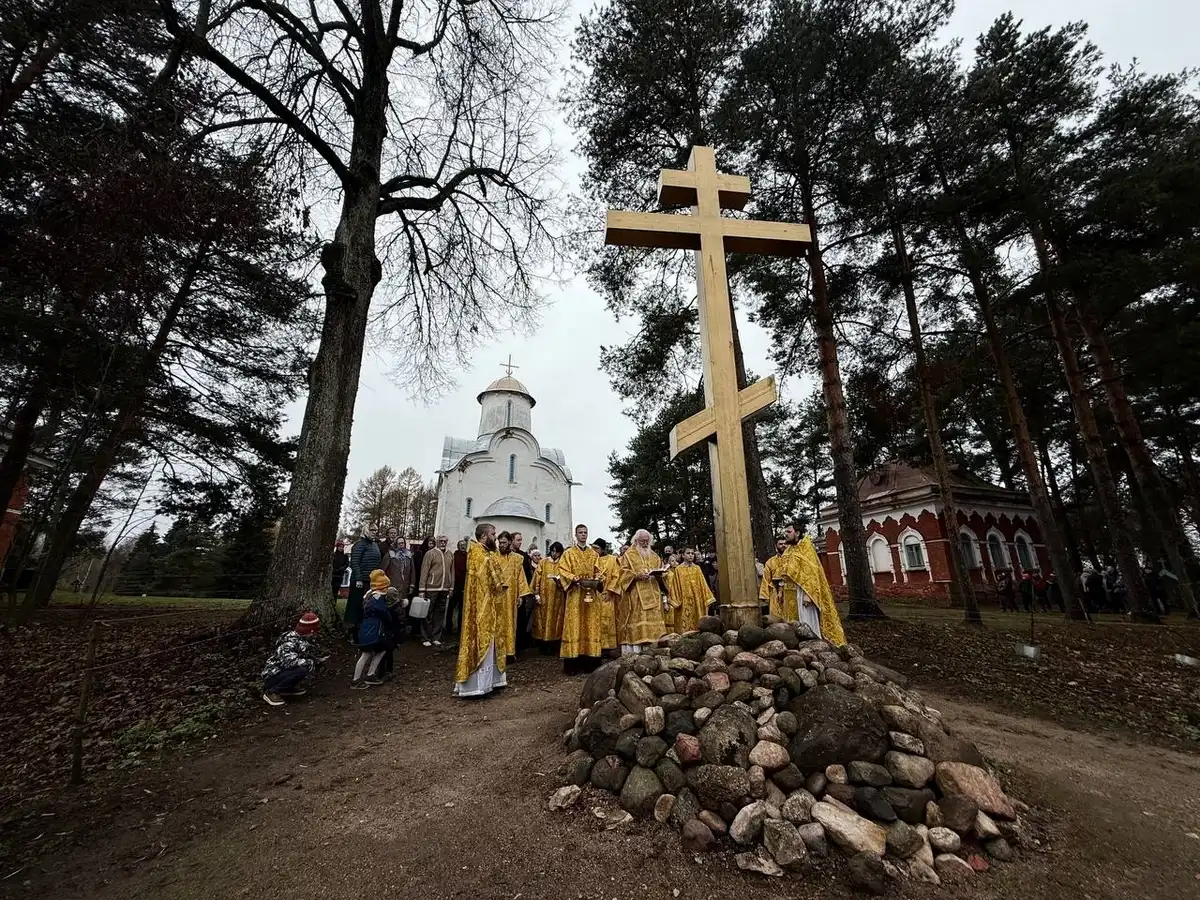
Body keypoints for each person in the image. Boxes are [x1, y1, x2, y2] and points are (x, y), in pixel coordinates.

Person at [454, 523, 508, 698]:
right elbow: (487, 576)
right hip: (480, 605)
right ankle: (475, 686)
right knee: (482, 640)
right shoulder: (477, 552)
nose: (495, 537)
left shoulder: (486, 552)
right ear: (484, 536)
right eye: (493, 534)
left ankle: (491, 681)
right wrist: (498, 580)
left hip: (490, 604)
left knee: (492, 641)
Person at [774, 523, 846, 645]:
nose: (785, 534)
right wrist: (780, 591)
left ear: (797, 533)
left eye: (788, 532)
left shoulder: (807, 548)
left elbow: (813, 574)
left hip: (803, 592)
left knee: (806, 620)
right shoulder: (789, 550)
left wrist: (809, 595)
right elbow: (783, 572)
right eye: (785, 532)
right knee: (790, 622)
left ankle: (814, 644)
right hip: (788, 591)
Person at [558, 524, 604, 675]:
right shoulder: (569, 553)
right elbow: (562, 569)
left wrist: (597, 578)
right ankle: (573, 664)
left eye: (585, 532)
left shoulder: (593, 554)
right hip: (575, 594)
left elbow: (599, 571)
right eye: (580, 533)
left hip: (591, 595)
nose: (583, 535)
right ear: (576, 535)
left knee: (591, 625)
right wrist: (573, 578)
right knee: (574, 625)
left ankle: (590, 662)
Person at [616, 529, 669, 654]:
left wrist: (661, 574)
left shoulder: (655, 556)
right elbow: (623, 573)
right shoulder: (629, 555)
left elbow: (663, 573)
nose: (645, 543)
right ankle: (636, 651)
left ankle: (655, 648)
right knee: (637, 618)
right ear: (636, 541)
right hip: (636, 594)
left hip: (653, 592)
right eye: (642, 541)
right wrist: (636, 576)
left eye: (647, 541)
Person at [261, 612, 326, 706]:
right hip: (273, 675)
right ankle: (272, 691)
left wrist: (316, 660)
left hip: (281, 672)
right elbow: (289, 662)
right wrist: (308, 662)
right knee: (301, 670)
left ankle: (287, 688)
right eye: (314, 632)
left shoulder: (301, 640)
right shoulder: (290, 642)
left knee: (303, 668)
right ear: (310, 631)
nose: (315, 634)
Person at [353, 570, 396, 689]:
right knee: (366, 654)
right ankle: (357, 679)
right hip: (372, 631)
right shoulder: (377, 600)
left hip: (369, 630)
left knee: (381, 649)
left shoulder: (369, 597)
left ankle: (369, 675)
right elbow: (384, 613)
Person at [496, 531, 533, 661]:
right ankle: (497, 652)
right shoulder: (493, 557)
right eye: (500, 542)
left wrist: (521, 596)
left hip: (511, 597)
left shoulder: (517, 559)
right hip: (497, 597)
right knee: (497, 625)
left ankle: (510, 652)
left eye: (504, 543)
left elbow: (521, 578)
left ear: (510, 542)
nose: (501, 545)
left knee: (511, 624)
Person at [418, 535, 455, 647]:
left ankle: (436, 636)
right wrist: (422, 589)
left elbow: (451, 572)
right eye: (441, 541)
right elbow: (424, 571)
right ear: (437, 542)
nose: (443, 543)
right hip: (431, 587)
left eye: (445, 541)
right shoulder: (430, 553)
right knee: (428, 613)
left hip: (444, 588)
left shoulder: (450, 554)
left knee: (440, 613)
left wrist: (451, 587)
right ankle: (425, 637)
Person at [347, 524, 382, 640]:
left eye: (376, 530)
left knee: (366, 608)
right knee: (356, 607)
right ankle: (352, 634)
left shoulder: (374, 545)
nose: (374, 532)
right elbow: (355, 562)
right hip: (359, 581)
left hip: (371, 581)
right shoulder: (359, 545)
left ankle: (363, 632)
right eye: (372, 530)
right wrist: (358, 578)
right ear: (366, 530)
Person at [666, 548, 714, 633]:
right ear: (683, 555)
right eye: (688, 553)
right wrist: (676, 601)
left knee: (698, 623)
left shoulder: (697, 568)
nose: (691, 555)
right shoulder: (678, 569)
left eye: (692, 553)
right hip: (683, 602)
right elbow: (675, 586)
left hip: (697, 600)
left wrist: (707, 597)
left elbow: (703, 584)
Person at [532, 541, 566, 652]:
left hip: (558, 596)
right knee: (543, 619)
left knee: (557, 620)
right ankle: (543, 644)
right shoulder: (543, 562)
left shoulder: (563, 563)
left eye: (557, 552)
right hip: (544, 595)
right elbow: (537, 578)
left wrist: (560, 582)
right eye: (553, 551)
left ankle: (554, 644)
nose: (555, 554)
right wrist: (536, 594)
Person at [759, 534, 797, 620]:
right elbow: (766, 579)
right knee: (775, 618)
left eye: (785, 543)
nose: (783, 545)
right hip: (775, 594)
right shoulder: (770, 562)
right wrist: (764, 596)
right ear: (776, 546)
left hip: (790, 591)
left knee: (792, 617)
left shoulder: (794, 560)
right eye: (780, 544)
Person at [593, 538, 620, 655]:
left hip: (608, 595)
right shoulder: (592, 559)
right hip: (594, 595)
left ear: (603, 549)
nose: (595, 551)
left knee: (608, 621)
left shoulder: (613, 560)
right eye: (593, 548)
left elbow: (616, 576)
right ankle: (595, 646)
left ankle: (608, 648)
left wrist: (610, 591)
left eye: (597, 548)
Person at [510, 532, 537, 653]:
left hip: (520, 592)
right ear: (512, 540)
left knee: (521, 619)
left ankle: (518, 646)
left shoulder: (523, 556)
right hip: (508, 591)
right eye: (518, 540)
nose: (520, 542)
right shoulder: (507, 554)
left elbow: (526, 574)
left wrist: (527, 591)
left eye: (521, 540)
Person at [385, 535, 416, 603]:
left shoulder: (408, 555)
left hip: (405, 587)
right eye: (399, 543)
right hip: (392, 586)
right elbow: (383, 570)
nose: (401, 545)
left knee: (403, 606)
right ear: (396, 544)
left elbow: (412, 571)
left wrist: (412, 585)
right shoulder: (390, 555)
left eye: (403, 543)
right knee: (392, 605)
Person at [448, 538, 468, 637]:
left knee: (462, 608)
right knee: (451, 607)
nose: (463, 546)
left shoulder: (468, 556)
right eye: (461, 545)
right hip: (455, 585)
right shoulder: (454, 556)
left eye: (464, 544)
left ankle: (460, 628)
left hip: (464, 585)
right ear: (458, 546)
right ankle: (449, 626)